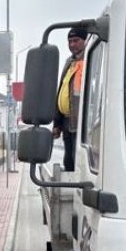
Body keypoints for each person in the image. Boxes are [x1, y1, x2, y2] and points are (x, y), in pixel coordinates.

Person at [53, 27, 87, 172]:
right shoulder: (70, 62)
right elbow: (62, 91)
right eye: (70, 41)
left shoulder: (89, 59)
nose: (72, 44)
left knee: (76, 160)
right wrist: (57, 123)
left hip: (81, 123)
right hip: (67, 121)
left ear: (85, 41)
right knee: (68, 159)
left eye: (76, 40)